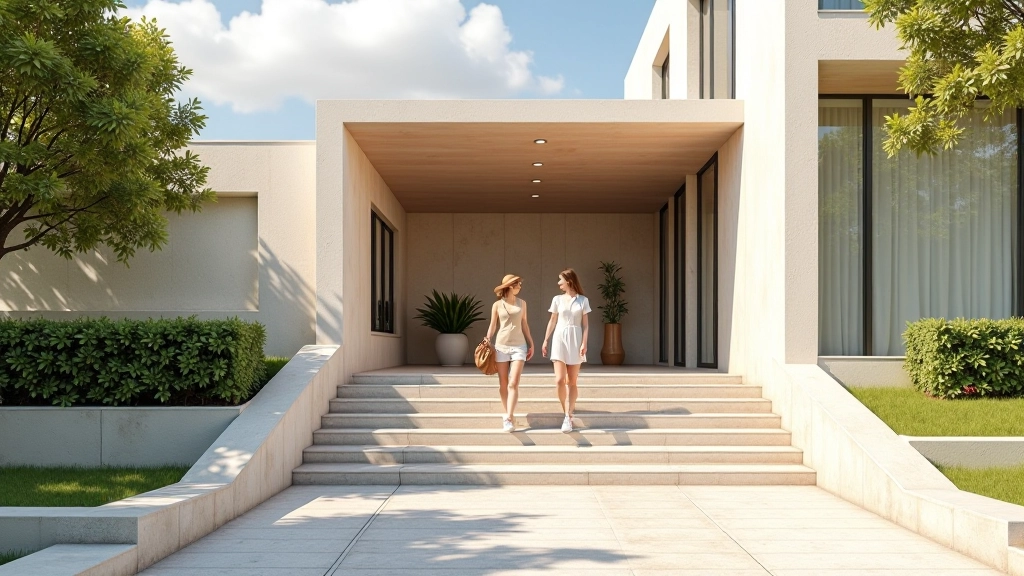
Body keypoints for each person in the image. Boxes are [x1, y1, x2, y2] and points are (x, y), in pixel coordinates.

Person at [541, 269, 591, 433]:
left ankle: (569, 415)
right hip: (559, 339)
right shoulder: (557, 299)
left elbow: (586, 325)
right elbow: (552, 320)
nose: (558, 283)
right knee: (559, 380)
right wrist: (546, 339)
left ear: (569, 281)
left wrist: (584, 343)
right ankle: (565, 412)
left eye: (560, 280)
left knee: (572, 381)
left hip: (575, 339)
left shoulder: (583, 300)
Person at [484, 274, 535, 433]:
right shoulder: (497, 305)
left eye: (520, 283)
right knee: (503, 383)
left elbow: (524, 324)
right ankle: (507, 414)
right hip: (501, 345)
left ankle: (509, 417)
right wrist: (487, 339)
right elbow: (493, 325)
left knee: (514, 382)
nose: (520, 286)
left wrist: (531, 343)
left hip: (519, 346)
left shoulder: (523, 303)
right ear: (510, 286)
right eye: (517, 284)